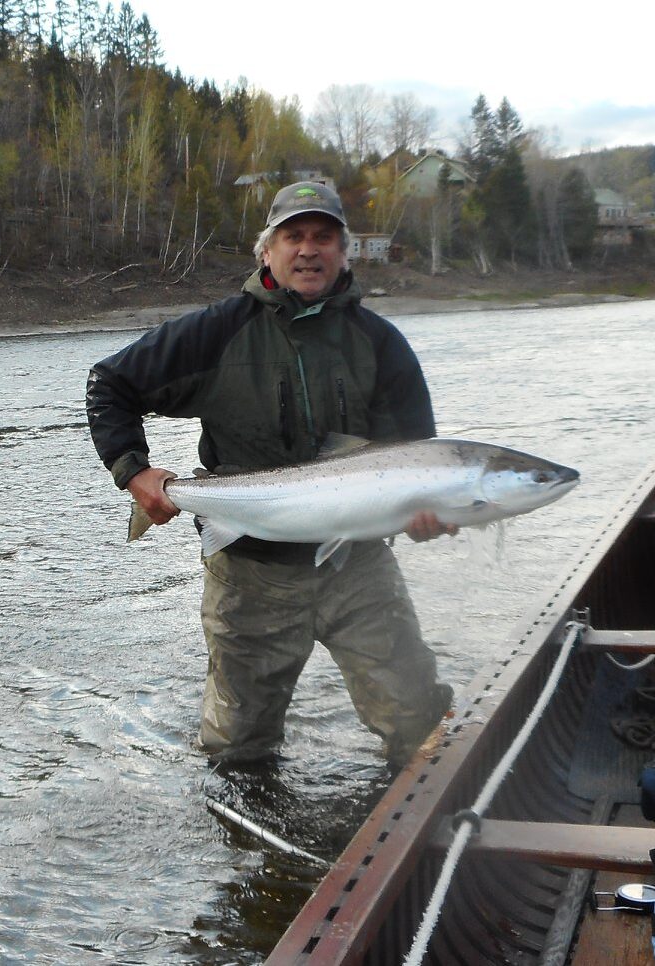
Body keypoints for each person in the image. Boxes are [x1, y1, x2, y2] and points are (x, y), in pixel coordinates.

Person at [84, 181, 456, 768]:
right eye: (294, 236)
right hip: (250, 577)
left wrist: (428, 514)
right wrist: (134, 470)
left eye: (324, 237)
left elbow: (417, 457)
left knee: (422, 724)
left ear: (344, 252)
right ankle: (251, 849)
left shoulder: (381, 345)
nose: (309, 250)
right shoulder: (215, 332)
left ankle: (416, 839)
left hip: (359, 568)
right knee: (237, 751)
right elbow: (110, 384)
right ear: (267, 251)